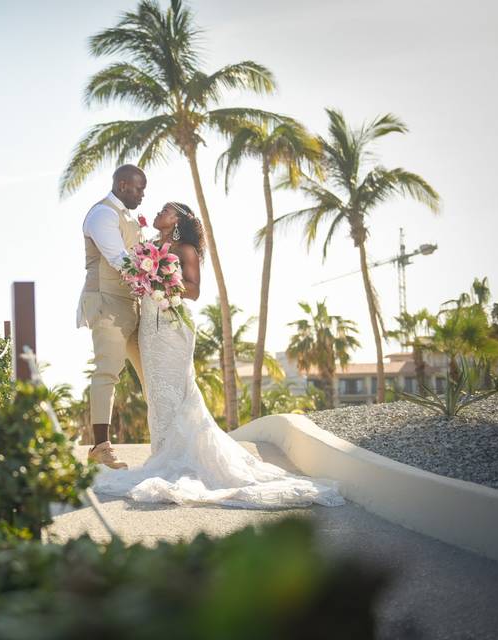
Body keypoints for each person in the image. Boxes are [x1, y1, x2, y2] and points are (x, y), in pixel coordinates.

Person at [92, 202, 345, 509]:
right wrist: (143, 278)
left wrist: (160, 282)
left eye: (166, 210)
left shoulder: (185, 249)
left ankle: (179, 460)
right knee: (158, 395)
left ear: (179, 220)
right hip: (150, 326)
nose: (159, 212)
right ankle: (162, 455)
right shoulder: (149, 246)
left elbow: (195, 291)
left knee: (177, 391)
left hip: (173, 326)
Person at [77, 164, 147, 470]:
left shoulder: (128, 217)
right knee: (107, 371)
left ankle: (169, 440)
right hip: (105, 300)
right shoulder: (102, 214)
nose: (142, 194)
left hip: (134, 304)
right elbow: (120, 259)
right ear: (121, 184)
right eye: (138, 188)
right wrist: (154, 282)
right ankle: (100, 448)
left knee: (152, 375)